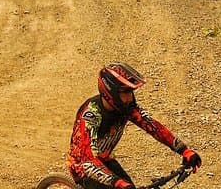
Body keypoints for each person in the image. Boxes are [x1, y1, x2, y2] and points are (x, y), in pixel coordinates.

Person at [66, 62, 201, 189]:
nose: (130, 98)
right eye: (125, 92)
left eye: (131, 92)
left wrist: (184, 150)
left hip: (105, 160)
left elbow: (154, 127)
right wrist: (117, 182)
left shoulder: (125, 108)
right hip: (83, 168)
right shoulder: (90, 116)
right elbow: (88, 161)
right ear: (110, 92)